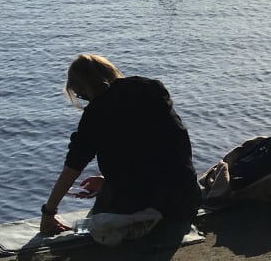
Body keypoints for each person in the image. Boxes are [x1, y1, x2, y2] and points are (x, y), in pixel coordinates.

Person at [39, 54, 201, 238]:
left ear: (84, 88)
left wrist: (48, 212)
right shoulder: (152, 90)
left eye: (80, 95)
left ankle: (144, 217)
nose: (84, 100)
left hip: (145, 198)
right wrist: (106, 180)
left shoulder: (96, 113)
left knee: (97, 221)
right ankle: (154, 215)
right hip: (185, 194)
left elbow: (73, 166)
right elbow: (157, 150)